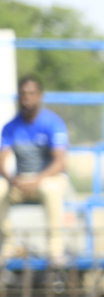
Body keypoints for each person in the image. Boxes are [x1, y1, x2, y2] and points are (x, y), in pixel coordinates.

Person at [0, 76, 69, 262]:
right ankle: (7, 244)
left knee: (51, 189)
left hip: (48, 178)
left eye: (31, 93)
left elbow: (60, 163)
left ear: (40, 96)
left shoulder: (53, 123)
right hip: (21, 180)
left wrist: (37, 180)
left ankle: (55, 250)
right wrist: (11, 179)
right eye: (23, 94)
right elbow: (1, 161)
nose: (27, 98)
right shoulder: (10, 127)